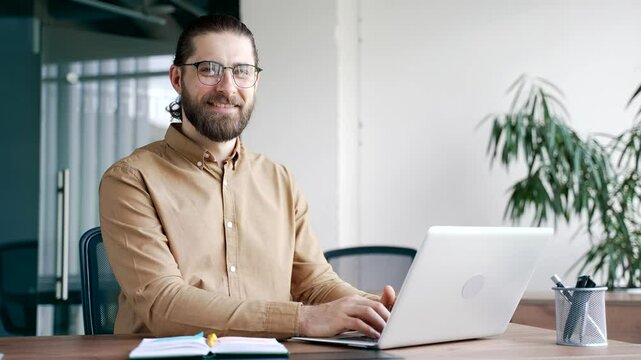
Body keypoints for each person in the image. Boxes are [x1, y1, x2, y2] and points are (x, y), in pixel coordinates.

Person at [99, 14, 395, 339]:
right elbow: (161, 302)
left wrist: (379, 310)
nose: (227, 88)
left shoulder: (279, 179)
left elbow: (315, 284)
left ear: (255, 81)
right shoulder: (131, 179)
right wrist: (302, 320)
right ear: (176, 78)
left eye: (242, 71)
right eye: (209, 69)